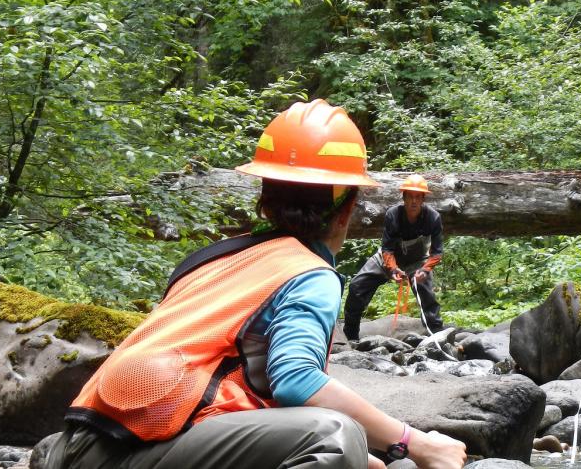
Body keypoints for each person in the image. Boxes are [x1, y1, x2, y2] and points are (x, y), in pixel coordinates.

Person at [43, 100, 467, 469]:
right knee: (334, 437)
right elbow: (295, 381)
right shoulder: (309, 273)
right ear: (347, 209)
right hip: (128, 451)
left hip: (77, 445)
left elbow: (229, 380)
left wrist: (366, 457)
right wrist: (417, 444)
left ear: (264, 198)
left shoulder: (217, 257)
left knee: (349, 446)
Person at [342, 174, 444, 341]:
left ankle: (438, 336)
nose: (414, 201)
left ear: (423, 199)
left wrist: (425, 270)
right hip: (388, 258)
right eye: (410, 196)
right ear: (403, 197)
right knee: (356, 286)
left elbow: (437, 252)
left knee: (427, 294)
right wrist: (393, 268)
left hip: (417, 261)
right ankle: (350, 336)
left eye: (418, 197)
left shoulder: (433, 218)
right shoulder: (393, 214)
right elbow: (387, 248)